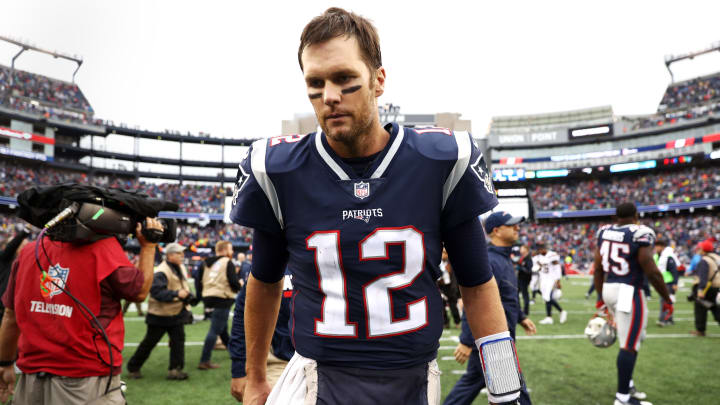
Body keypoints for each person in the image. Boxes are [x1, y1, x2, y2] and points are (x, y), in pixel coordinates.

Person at [230, 7, 524, 405]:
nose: (329, 96)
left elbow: (477, 285)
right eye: (315, 83)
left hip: (413, 378)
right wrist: (255, 375)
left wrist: (507, 389)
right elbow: (263, 282)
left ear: (378, 80)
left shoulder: (439, 161)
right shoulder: (280, 170)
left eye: (345, 78)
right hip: (315, 375)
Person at [0, 218, 162, 404]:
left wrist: (4, 363)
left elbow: (10, 316)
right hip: (84, 376)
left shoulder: (29, 251)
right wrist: (149, 247)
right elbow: (139, 291)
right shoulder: (103, 248)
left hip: (31, 378)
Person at [444, 212, 536, 405]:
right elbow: (476, 300)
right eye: (511, 225)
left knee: (473, 384)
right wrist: (468, 341)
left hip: (498, 338)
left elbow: (506, 296)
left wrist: (521, 317)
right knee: (515, 392)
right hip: (493, 340)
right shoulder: (490, 261)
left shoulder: (503, 259)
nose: (517, 228)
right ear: (496, 230)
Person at [593, 202, 673, 405]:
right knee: (629, 344)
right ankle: (622, 398)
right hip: (628, 291)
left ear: (615, 217)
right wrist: (666, 297)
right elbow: (651, 269)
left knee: (635, 337)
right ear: (636, 215)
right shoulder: (641, 232)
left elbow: (598, 268)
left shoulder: (604, 231)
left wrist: (600, 297)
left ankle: (627, 384)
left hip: (610, 288)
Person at [126, 242, 194, 381]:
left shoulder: (178, 267)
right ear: (169, 255)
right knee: (149, 343)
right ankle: (133, 367)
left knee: (178, 342)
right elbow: (156, 292)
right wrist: (176, 294)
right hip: (160, 315)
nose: (182, 255)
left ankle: (175, 369)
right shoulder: (161, 271)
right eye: (179, 253)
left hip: (175, 313)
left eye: (182, 253)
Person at [230, 267, 294, 402]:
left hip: (331, 362)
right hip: (279, 361)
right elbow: (243, 315)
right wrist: (239, 369)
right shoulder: (272, 262)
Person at [196, 240, 241, 369]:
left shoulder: (205, 263)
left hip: (208, 297)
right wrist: (239, 286)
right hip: (222, 298)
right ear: (225, 250)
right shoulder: (227, 262)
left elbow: (198, 281)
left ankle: (233, 352)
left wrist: (201, 296)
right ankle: (204, 360)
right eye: (231, 249)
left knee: (222, 329)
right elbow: (233, 281)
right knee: (215, 330)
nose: (232, 252)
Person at [690, 240, 720, 337]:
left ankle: (700, 330)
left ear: (703, 250)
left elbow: (703, 277)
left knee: (700, 309)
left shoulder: (704, 260)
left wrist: (700, 290)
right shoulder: (717, 257)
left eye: (700, 247)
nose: (698, 249)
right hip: (717, 287)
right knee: (715, 308)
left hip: (708, 288)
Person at [0, 223, 30, 321]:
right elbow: (11, 247)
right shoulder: (5, 258)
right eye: (22, 245)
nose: (25, 248)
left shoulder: (26, 263)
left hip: (13, 308)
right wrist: (24, 232)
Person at [536, 243, 567, 325]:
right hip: (544, 279)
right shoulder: (539, 257)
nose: (539, 251)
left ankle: (559, 312)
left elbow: (557, 268)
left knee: (548, 297)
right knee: (546, 298)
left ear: (544, 249)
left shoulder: (552, 255)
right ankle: (551, 316)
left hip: (551, 279)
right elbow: (541, 268)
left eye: (540, 249)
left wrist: (558, 281)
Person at [654, 239, 679, 326]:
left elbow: (674, 271)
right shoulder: (657, 256)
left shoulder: (668, 257)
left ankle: (662, 320)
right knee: (668, 301)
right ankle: (669, 319)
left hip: (668, 282)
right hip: (661, 282)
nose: (656, 248)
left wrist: (675, 283)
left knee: (664, 301)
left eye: (657, 246)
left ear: (662, 247)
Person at [438, 248, 461, 328]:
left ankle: (457, 322)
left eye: (445, 253)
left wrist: (454, 288)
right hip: (441, 287)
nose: (443, 255)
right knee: (442, 306)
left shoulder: (451, 263)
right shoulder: (438, 263)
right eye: (442, 253)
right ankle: (445, 323)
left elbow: (454, 278)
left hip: (450, 287)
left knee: (453, 306)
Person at [513, 244, 532, 316]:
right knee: (516, 294)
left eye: (522, 248)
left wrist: (519, 267)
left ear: (526, 250)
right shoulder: (523, 257)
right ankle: (519, 309)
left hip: (524, 280)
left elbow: (528, 270)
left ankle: (526, 311)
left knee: (525, 295)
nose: (520, 250)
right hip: (520, 278)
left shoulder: (528, 259)